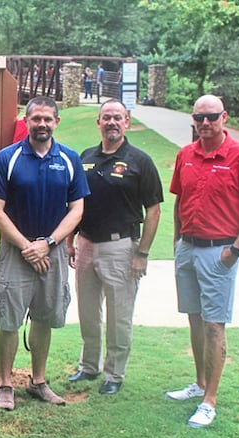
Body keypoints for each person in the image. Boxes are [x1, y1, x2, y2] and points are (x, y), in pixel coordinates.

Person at [0, 96, 90, 411]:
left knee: (44, 317)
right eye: (36, 118)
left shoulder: (69, 158)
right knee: (9, 318)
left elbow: (77, 209)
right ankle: (5, 383)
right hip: (16, 251)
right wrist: (28, 246)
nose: (41, 124)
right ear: (26, 121)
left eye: (47, 119)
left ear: (57, 121)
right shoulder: (8, 158)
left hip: (52, 251)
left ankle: (38, 381)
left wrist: (50, 243)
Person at [166, 94, 239, 428]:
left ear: (224, 117)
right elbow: (180, 200)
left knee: (214, 325)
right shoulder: (186, 155)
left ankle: (210, 400)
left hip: (219, 252)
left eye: (211, 117)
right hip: (188, 248)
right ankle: (198, 384)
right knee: (195, 319)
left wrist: (234, 251)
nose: (205, 123)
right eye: (199, 117)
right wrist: (177, 241)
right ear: (193, 119)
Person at [66, 99, 163, 395]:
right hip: (86, 245)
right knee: (87, 312)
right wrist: (69, 241)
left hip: (121, 247)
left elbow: (154, 210)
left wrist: (142, 253)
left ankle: (114, 374)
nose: (111, 122)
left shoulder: (140, 161)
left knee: (119, 316)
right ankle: (89, 366)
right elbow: (75, 203)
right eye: (106, 117)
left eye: (117, 118)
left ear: (127, 122)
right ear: (98, 122)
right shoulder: (85, 157)